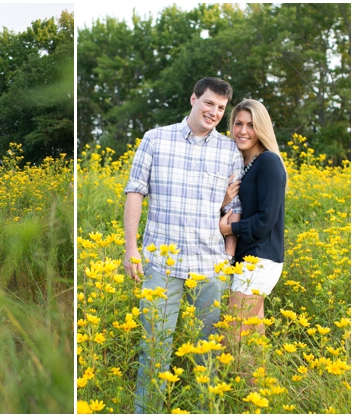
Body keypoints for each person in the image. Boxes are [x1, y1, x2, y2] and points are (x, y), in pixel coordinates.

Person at [122, 77, 244, 413]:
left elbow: (234, 211)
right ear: (193, 99)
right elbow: (135, 192)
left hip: (209, 268)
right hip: (161, 266)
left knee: (207, 356)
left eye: (221, 108)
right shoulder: (155, 139)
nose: (214, 112)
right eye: (209, 103)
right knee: (154, 350)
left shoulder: (229, 150)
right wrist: (131, 247)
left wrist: (228, 256)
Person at [218, 99, 286, 344]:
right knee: (252, 343)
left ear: (262, 128)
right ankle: (260, 383)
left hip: (259, 260)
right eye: (238, 124)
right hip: (248, 259)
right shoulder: (245, 164)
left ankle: (225, 383)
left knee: (230, 337)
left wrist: (229, 228)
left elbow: (265, 220)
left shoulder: (268, 161)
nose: (243, 131)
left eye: (251, 125)